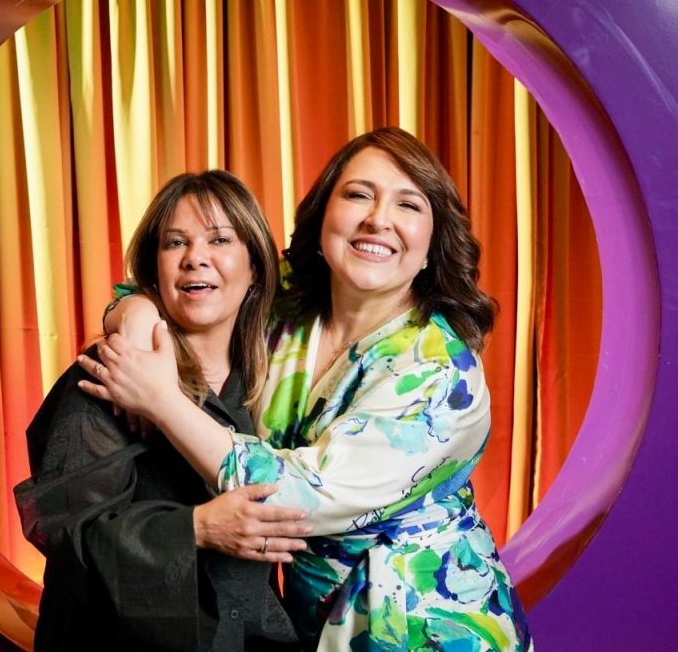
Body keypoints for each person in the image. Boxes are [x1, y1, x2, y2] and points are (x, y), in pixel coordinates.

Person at [80, 127, 533, 650]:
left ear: (433, 246)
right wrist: (136, 319)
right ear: (322, 219)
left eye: (407, 204)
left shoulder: (441, 372)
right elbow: (184, 288)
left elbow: (296, 500)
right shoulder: (288, 302)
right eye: (359, 194)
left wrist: (161, 400)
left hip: (427, 626)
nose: (378, 219)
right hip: (311, 621)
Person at [15, 170, 309, 651]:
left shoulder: (275, 380)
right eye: (176, 243)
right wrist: (197, 529)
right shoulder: (110, 374)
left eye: (220, 239)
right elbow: (68, 535)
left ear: (256, 267)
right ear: (154, 271)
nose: (196, 257)